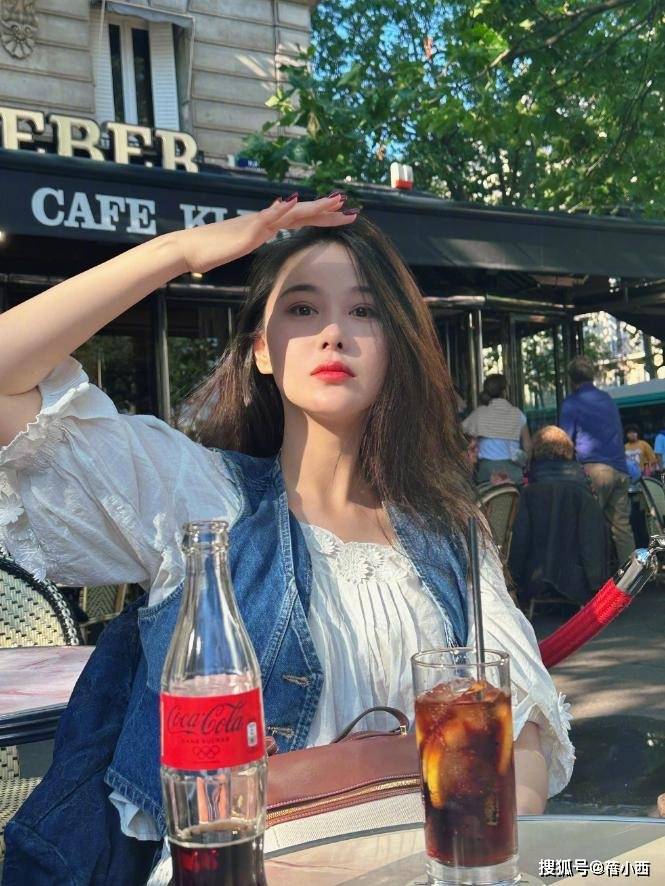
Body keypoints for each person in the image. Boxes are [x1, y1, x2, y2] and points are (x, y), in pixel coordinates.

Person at [0, 197, 573, 883]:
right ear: (262, 351)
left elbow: (519, 732)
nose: (333, 333)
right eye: (302, 309)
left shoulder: (449, 532)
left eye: (363, 311)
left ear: (395, 346)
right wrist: (178, 253)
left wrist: (483, 859)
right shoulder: (201, 502)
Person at [508, 426, 609, 610]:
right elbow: (592, 541)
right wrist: (596, 584)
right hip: (578, 582)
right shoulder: (582, 489)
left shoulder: (530, 491)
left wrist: (513, 581)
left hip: (536, 581)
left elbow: (520, 540)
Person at [559, 355, 635, 564]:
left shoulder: (572, 403)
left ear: (570, 379)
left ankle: (595, 578)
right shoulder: (607, 399)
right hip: (620, 468)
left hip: (594, 471)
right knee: (622, 529)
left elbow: (564, 442)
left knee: (588, 526)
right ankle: (633, 576)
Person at [461, 374, 531, 485]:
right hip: (513, 474)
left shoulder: (479, 414)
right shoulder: (518, 414)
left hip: (486, 474)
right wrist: (527, 465)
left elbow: (459, 433)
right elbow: (527, 446)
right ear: (505, 391)